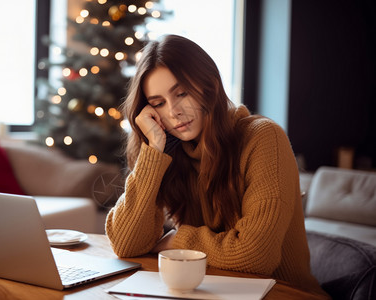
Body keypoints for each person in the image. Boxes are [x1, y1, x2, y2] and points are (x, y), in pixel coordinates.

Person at [105, 34, 328, 297]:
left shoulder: (263, 138)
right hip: (209, 292)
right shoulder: (170, 151)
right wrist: (153, 149)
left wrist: (179, 240)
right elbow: (126, 244)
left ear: (209, 85)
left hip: (284, 294)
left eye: (182, 93)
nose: (173, 111)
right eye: (158, 103)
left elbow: (256, 256)